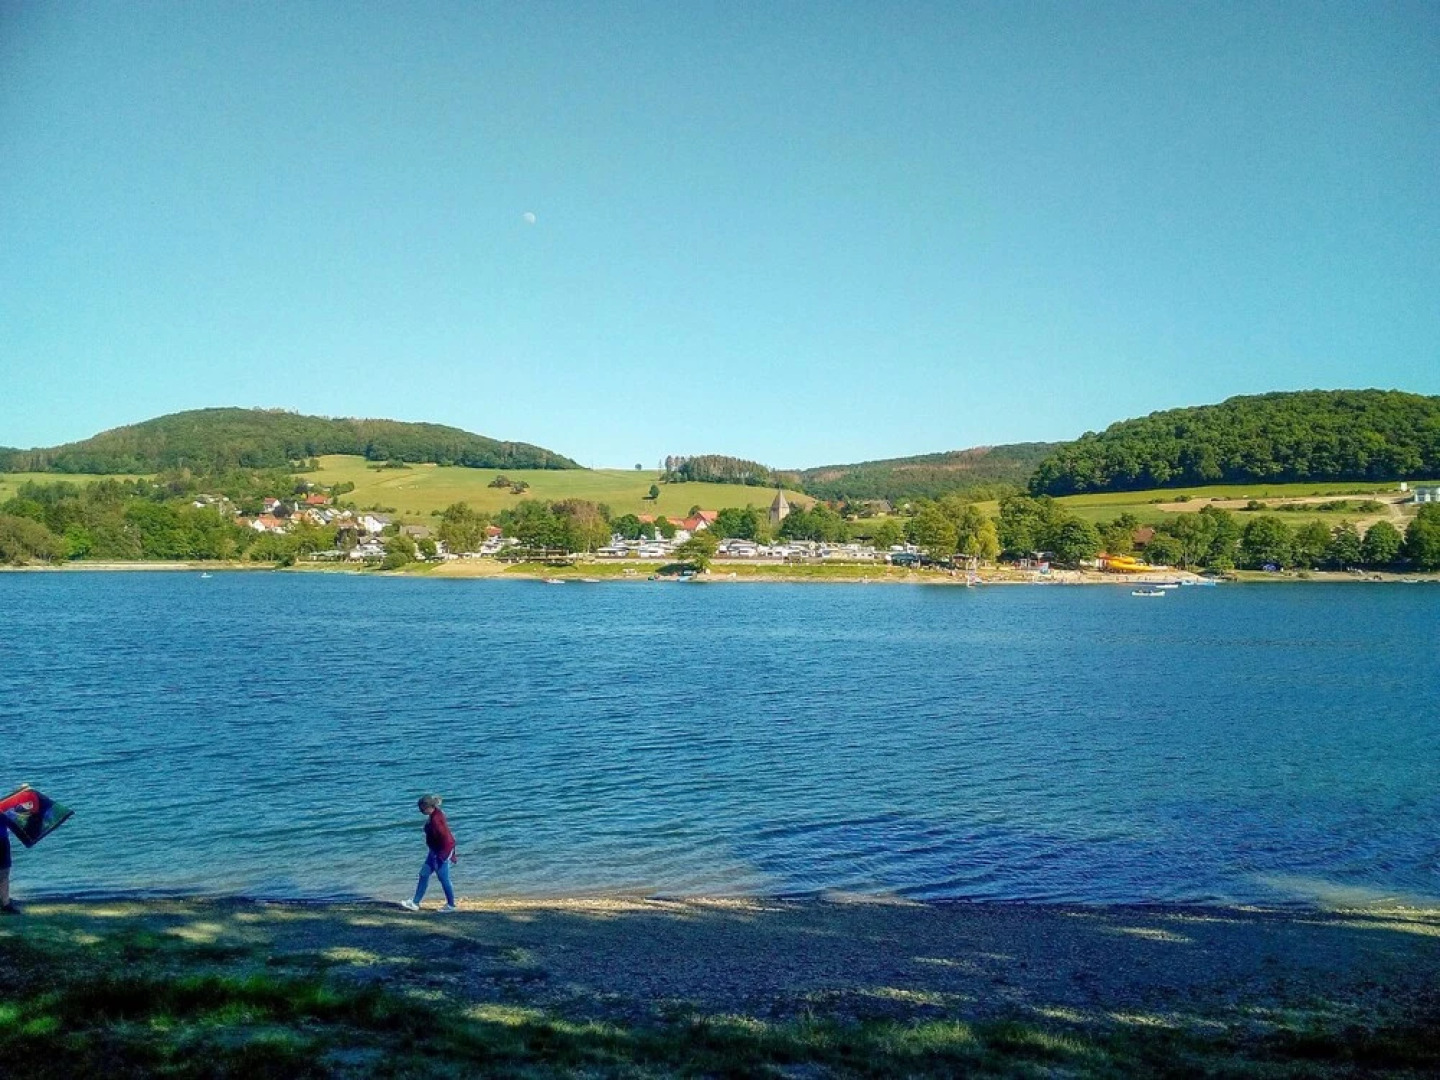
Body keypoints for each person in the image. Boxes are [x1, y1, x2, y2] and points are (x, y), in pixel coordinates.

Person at [400, 794, 457, 912]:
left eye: (421, 809)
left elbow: (448, 840)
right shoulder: (435, 814)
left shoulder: (436, 820)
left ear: (427, 807)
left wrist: (443, 856)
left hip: (441, 853)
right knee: (424, 874)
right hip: (434, 852)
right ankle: (415, 903)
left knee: (444, 878)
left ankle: (451, 905)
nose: (420, 811)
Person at [1, 819, 18, 915]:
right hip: (2, 839)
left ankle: (4, 902)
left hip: (3, 838)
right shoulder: (4, 806)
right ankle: (5, 903)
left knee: (4, 871)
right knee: (4, 872)